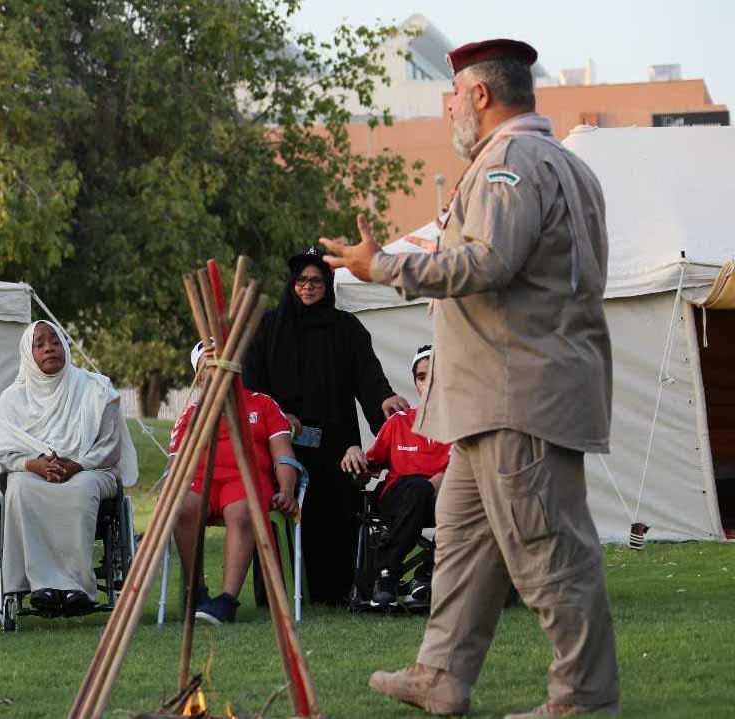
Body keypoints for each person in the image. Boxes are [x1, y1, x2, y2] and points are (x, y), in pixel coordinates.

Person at [322, 38, 619, 719]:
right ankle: (441, 675)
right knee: (459, 540)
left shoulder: (508, 165)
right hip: (500, 397)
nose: (448, 107)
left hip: (516, 397)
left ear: (480, 96)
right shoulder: (567, 165)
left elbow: (488, 263)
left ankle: (584, 697)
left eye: (453, 96)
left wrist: (385, 267)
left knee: (549, 552)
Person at [243, 246, 409, 605]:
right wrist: (275, 415)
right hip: (280, 444)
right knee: (279, 508)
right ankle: (278, 593)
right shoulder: (268, 327)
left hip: (335, 444)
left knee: (336, 512)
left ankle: (333, 593)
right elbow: (251, 384)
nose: (308, 287)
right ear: (292, 284)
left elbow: (368, 375)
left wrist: (383, 399)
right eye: (301, 280)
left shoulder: (346, 329)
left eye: (316, 281)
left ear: (328, 284)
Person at [0, 320, 138, 617]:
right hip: (34, 473)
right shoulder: (12, 399)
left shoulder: (96, 389)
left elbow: (109, 447)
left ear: (65, 346)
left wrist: (77, 465)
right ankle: (41, 586)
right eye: (39, 344)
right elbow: (1, 452)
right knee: (18, 486)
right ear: (28, 354)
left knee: (81, 488)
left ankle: (77, 587)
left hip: (91, 470)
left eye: (55, 341)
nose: (49, 348)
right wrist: (33, 464)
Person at [168, 341, 300, 625]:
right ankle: (198, 592)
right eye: (209, 367)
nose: (217, 372)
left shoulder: (263, 404)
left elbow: (284, 455)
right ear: (199, 376)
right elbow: (175, 464)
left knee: (241, 510)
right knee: (179, 508)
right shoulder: (191, 415)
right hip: (202, 481)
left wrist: (287, 490)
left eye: (223, 363)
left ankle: (227, 600)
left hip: (247, 478)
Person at [341, 345, 449, 608]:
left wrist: (438, 481)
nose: (429, 382)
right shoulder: (398, 422)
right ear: (415, 383)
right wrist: (354, 454)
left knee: (456, 493)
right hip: (397, 500)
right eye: (422, 377)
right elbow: (364, 475)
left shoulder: (464, 426)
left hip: (445, 501)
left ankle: (423, 576)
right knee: (418, 488)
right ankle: (387, 572)